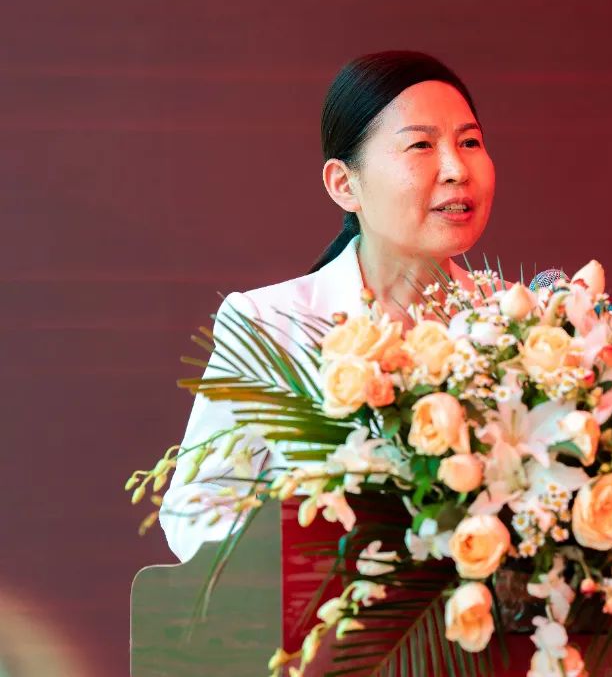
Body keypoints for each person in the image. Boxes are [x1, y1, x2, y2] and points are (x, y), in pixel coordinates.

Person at [158, 51, 496, 563]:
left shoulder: (523, 328)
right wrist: (307, 564)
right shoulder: (271, 325)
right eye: (421, 145)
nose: (457, 169)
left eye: (469, 142)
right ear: (344, 184)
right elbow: (197, 503)